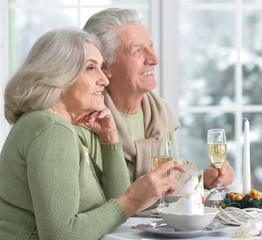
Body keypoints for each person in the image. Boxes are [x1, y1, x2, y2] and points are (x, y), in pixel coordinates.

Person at [0, 27, 185, 239]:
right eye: (91, 68)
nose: (104, 80)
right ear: (59, 76)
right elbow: (61, 236)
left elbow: (113, 210)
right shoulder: (52, 130)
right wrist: (133, 199)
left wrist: (109, 138)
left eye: (101, 68)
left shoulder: (51, 124)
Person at [79, 8, 235, 190]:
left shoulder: (161, 115)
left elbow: (170, 189)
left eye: (151, 46)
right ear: (104, 67)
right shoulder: (86, 121)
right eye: (137, 51)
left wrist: (205, 182)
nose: (154, 59)